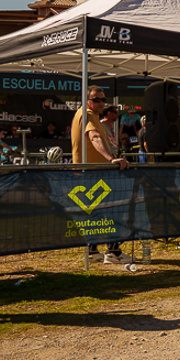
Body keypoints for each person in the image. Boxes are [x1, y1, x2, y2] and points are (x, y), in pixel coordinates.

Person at [71, 86, 131, 264]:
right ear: (86, 100)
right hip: (93, 174)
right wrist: (111, 159)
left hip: (89, 173)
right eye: (96, 99)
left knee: (95, 213)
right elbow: (94, 137)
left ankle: (93, 250)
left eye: (103, 100)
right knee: (112, 211)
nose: (101, 103)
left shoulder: (87, 114)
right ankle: (113, 252)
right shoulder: (87, 114)